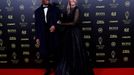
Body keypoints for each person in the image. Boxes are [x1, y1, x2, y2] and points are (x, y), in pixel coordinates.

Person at [56, 0, 94, 75]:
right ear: (69, 1)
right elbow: (65, 20)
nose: (73, 0)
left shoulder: (77, 9)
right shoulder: (67, 10)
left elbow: (74, 23)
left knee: (76, 52)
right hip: (67, 34)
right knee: (68, 53)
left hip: (75, 34)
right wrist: (59, 21)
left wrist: (62, 23)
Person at [34, 0, 60, 75]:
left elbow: (59, 21)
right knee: (45, 53)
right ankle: (48, 69)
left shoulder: (56, 9)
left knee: (55, 51)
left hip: (53, 34)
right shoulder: (37, 11)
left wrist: (55, 26)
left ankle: (56, 68)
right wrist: (37, 37)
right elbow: (37, 26)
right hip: (43, 35)